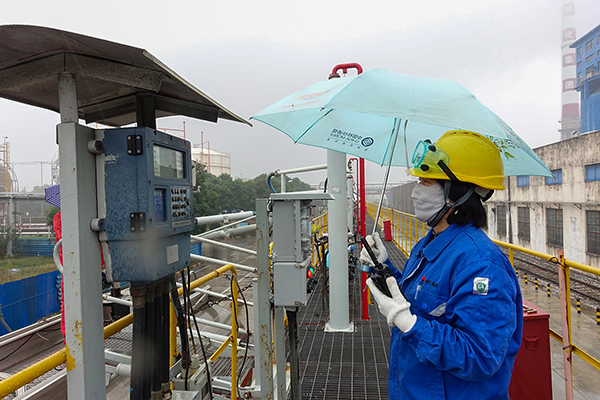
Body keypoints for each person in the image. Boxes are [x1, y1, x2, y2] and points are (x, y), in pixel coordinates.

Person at [361, 130, 523, 400]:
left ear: (456, 193)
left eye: (426, 182)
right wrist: (385, 266)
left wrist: (409, 324)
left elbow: (480, 356)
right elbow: (423, 300)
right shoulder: (430, 242)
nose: (416, 191)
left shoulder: (481, 265)